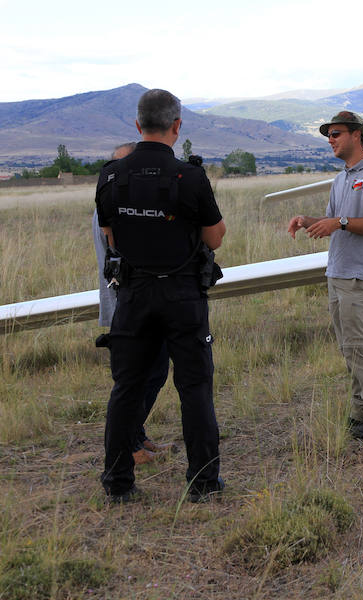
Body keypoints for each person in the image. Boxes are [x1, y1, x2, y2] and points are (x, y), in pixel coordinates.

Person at [95, 89, 226, 503]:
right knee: (194, 388)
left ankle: (118, 483)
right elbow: (216, 238)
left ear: (137, 125)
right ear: (177, 126)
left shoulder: (111, 175)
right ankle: (203, 482)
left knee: (126, 389)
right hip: (182, 294)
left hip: (132, 295)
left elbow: (110, 236)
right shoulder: (190, 176)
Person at [288, 111, 363, 440]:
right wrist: (309, 220)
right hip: (338, 272)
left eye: (336, 134)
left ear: (356, 135)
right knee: (349, 349)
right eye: (328, 135)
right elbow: (335, 219)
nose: (330, 140)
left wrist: (341, 223)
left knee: (360, 347)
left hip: (361, 275)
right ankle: (360, 412)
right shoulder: (341, 178)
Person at [92, 141, 174, 466]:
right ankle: (129, 446)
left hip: (134, 304)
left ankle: (136, 436)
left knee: (152, 373)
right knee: (143, 378)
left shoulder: (114, 201)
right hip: (129, 306)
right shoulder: (113, 206)